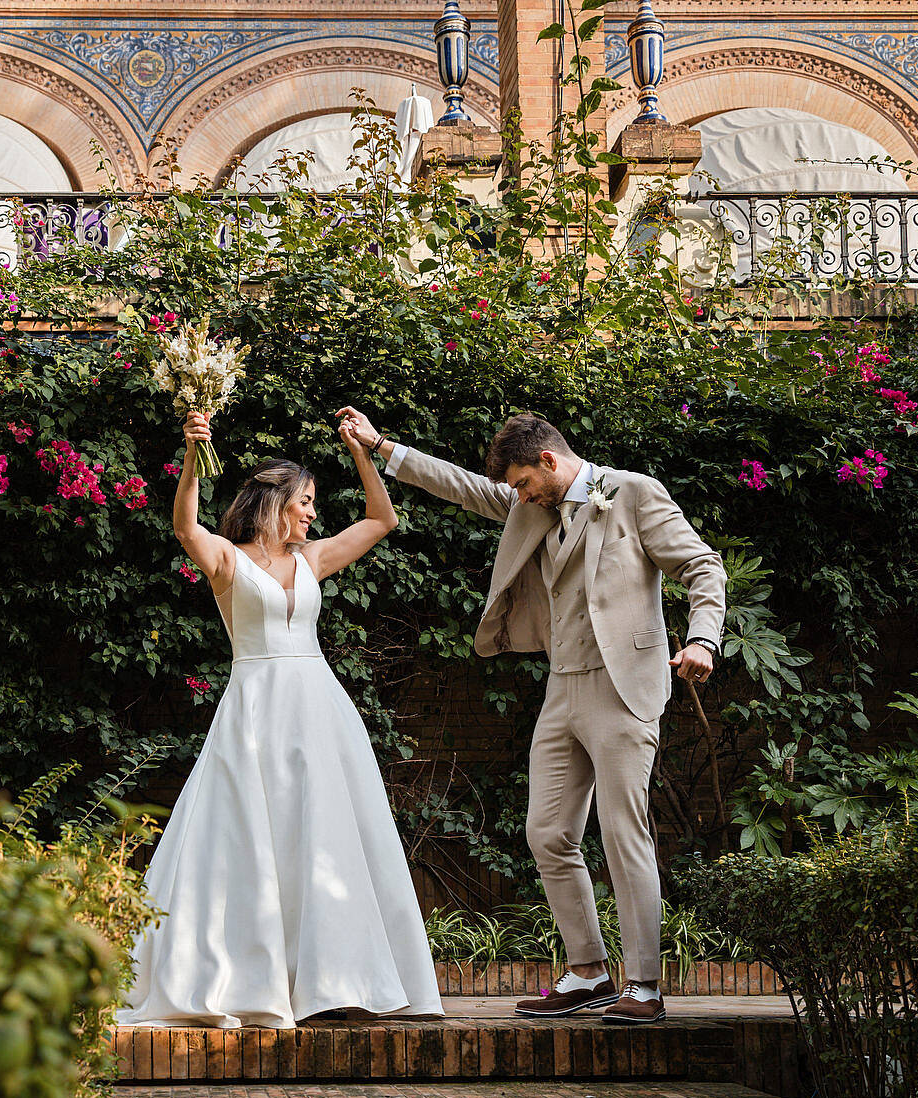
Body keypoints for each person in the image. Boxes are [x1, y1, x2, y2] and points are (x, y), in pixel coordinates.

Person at [332, 407, 726, 1025]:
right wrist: (382, 446)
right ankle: (589, 972)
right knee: (547, 833)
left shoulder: (633, 493)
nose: (516, 496)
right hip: (564, 687)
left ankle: (644, 985)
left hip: (624, 687)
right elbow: (466, 487)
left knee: (624, 834)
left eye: (521, 483)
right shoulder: (533, 504)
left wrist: (703, 639)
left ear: (548, 460)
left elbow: (702, 565)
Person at [115, 411, 444, 1028]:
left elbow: (382, 520)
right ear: (273, 502)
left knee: (326, 836)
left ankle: (337, 981)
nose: (312, 514)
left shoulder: (312, 558)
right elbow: (185, 526)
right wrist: (192, 455)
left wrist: (362, 455)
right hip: (256, 708)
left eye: (315, 503)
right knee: (256, 839)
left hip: (319, 707)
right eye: (304, 502)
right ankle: (261, 978)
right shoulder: (228, 563)